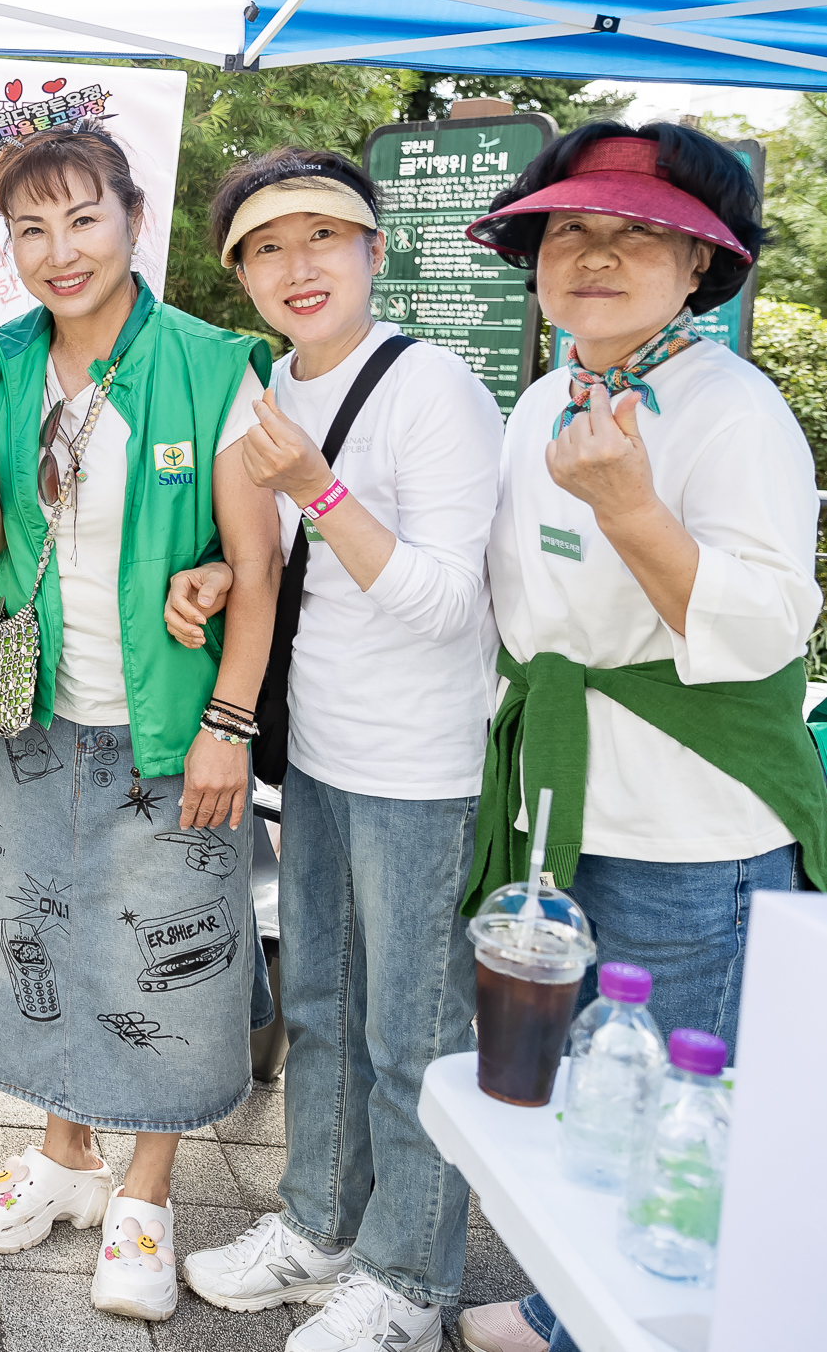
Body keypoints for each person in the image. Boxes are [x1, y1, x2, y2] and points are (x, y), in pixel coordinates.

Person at [452, 123, 827, 1352]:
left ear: (699, 268)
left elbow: (769, 622)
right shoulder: (546, 396)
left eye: (637, 234)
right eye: (572, 229)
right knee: (583, 1090)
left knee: (671, 1105)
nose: (597, 254)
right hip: (562, 801)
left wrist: (627, 506)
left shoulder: (734, 410)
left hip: (688, 825)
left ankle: (622, 1326)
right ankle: (571, 1305)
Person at [0, 121, 279, 1323]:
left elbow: (254, 562)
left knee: (170, 951)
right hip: (38, 715)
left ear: (132, 219)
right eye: (31, 229)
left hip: (174, 723)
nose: (58, 250)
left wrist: (231, 717)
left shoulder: (212, 361)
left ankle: (148, 1191)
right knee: (47, 931)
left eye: (82, 219)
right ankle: (66, 1158)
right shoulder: (2, 360)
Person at [164, 147, 503, 1352]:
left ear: (372, 249)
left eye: (321, 237)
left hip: (423, 767)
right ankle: (318, 1225)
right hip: (318, 750)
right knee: (318, 1001)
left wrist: (315, 488)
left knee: (414, 1031)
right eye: (265, 246)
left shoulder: (432, 386)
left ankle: (413, 1277)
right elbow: (292, 571)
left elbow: (448, 603)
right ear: (239, 273)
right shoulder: (270, 387)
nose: (295, 265)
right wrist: (218, 569)